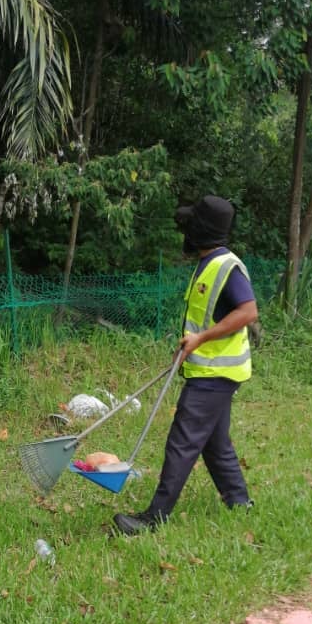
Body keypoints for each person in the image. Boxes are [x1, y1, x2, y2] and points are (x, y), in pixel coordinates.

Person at [112, 194, 257, 535]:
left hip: (214, 374)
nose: (185, 230)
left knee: (182, 442)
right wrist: (191, 345)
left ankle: (154, 518)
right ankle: (239, 502)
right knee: (215, 442)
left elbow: (248, 312)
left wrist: (201, 338)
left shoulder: (227, 266)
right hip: (212, 369)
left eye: (191, 223)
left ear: (202, 229)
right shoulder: (209, 263)